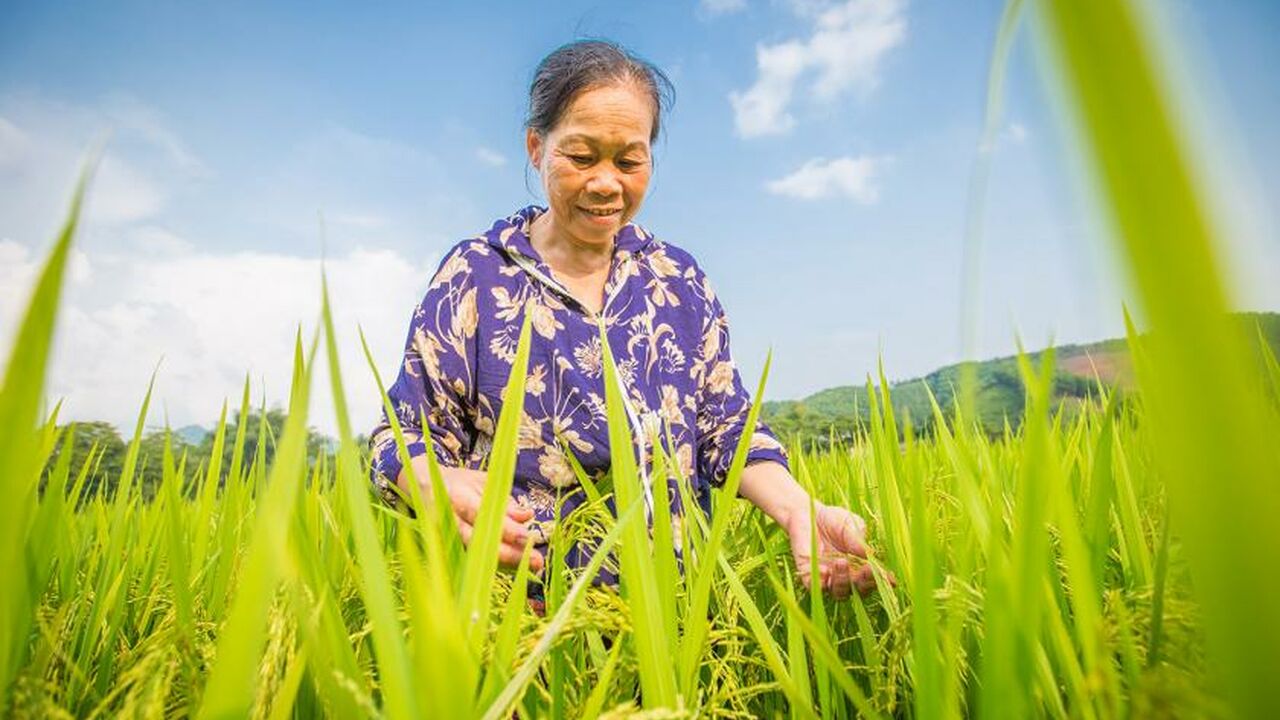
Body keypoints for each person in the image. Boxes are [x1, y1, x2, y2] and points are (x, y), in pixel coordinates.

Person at [368, 39, 881, 600]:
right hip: (522, 623)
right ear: (537, 148)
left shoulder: (676, 281)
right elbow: (402, 435)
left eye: (629, 161)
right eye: (582, 157)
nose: (607, 183)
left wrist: (799, 511)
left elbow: (724, 426)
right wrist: (434, 481)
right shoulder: (477, 277)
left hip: (677, 625)